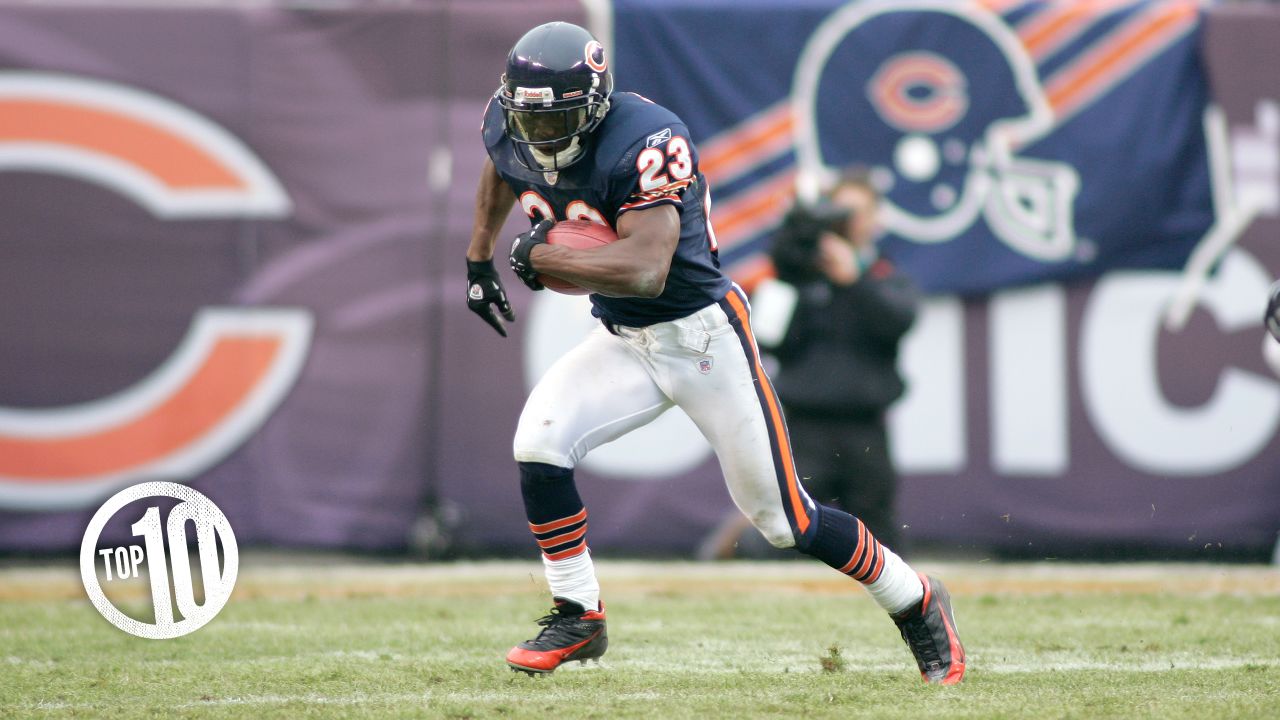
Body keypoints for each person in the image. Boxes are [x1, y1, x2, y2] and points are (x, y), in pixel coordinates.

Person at [464, 21, 965, 684]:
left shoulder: (645, 138)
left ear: (595, 103)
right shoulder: (510, 120)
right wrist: (477, 257)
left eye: (558, 122)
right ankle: (579, 612)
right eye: (533, 121)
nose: (542, 137)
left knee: (785, 520)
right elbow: (505, 164)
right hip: (623, 337)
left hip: (700, 336)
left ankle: (916, 600)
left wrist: (542, 255)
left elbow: (647, 267)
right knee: (539, 444)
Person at [766, 171, 919, 552]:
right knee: (786, 529)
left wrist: (854, 280)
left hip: (864, 427)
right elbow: (770, 338)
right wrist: (793, 272)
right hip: (804, 427)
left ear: (875, 219)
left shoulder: (885, 274)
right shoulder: (800, 275)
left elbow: (896, 322)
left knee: (879, 538)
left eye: (856, 212)